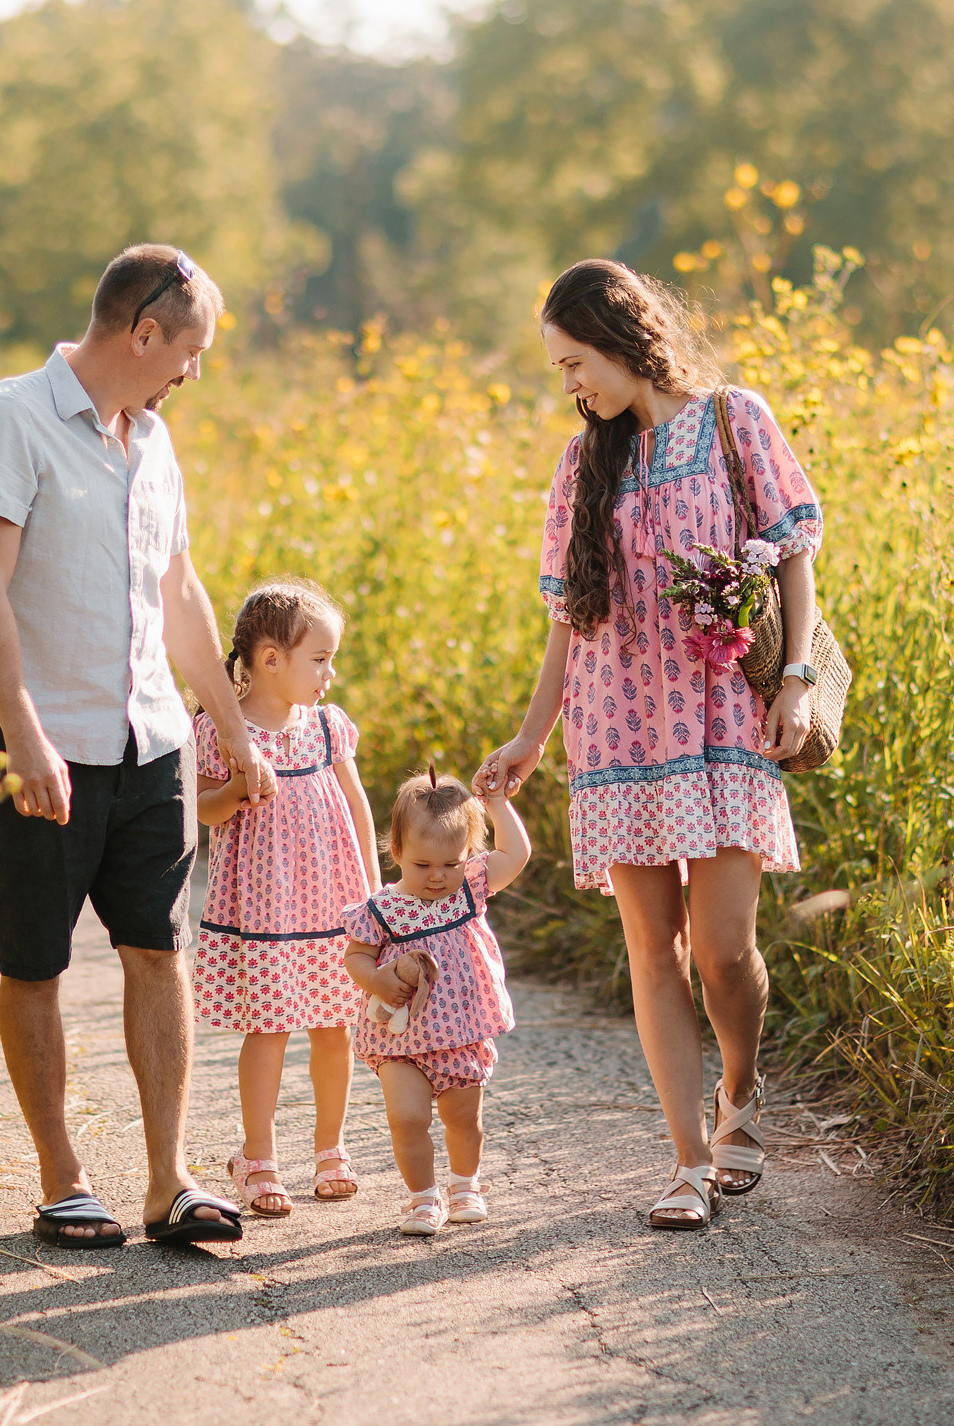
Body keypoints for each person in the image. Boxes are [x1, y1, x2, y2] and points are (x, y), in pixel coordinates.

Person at [474, 259, 824, 1232]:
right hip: (618, 728)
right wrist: (531, 736)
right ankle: (683, 1164)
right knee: (652, 952)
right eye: (558, 370)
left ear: (623, 338)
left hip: (723, 723)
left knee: (721, 949)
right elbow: (565, 621)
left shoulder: (731, 420)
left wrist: (794, 680)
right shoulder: (584, 466)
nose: (571, 385)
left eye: (575, 361)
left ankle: (740, 1098)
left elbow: (793, 556)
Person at [0, 243, 275, 1250]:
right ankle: (60, 1180)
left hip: (149, 743)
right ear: (143, 333)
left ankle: (167, 1181)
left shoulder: (156, 443)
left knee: (156, 950)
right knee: (36, 961)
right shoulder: (9, 422)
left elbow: (180, 593)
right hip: (39, 741)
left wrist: (228, 726)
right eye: (192, 350)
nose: (195, 371)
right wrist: (25, 732)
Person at [191, 579, 381, 1216]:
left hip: (333, 902)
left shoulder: (328, 727)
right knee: (269, 1028)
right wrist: (242, 786)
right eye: (320, 659)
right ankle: (258, 1155)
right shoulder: (225, 730)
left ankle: (332, 1147)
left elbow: (355, 805)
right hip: (267, 912)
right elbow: (205, 811)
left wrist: (375, 894)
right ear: (271, 660)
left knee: (335, 1026)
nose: (331, 672)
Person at [340, 772, 534, 1237]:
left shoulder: (470, 889)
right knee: (408, 1118)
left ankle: (466, 1186)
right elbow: (356, 957)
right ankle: (423, 1199)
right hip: (399, 1039)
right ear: (398, 851)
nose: (437, 876)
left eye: (450, 863)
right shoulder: (382, 908)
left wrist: (497, 802)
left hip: (462, 1032)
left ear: (466, 856)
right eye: (423, 864)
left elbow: (517, 854)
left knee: (464, 1117)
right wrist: (378, 981)